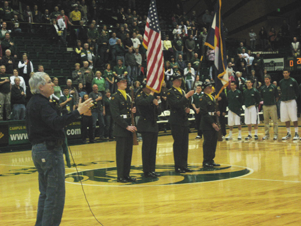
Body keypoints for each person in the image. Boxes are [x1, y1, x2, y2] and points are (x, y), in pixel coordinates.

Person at [26, 72, 92, 226]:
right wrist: (77, 112)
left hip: (39, 150)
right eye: (49, 82)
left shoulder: (34, 102)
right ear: (41, 86)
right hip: (48, 151)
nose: (53, 84)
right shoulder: (41, 104)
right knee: (55, 195)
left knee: (46, 194)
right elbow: (56, 123)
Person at [110, 76, 137, 182]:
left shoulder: (128, 96)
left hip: (129, 128)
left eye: (125, 81)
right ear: (117, 84)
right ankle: (120, 176)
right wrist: (126, 126)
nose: (125, 83)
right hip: (121, 129)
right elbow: (116, 115)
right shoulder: (115, 97)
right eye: (122, 82)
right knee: (121, 154)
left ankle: (126, 175)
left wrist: (132, 110)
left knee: (128, 153)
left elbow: (127, 111)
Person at [166, 73, 195, 173]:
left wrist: (186, 109)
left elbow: (183, 104)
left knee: (184, 144)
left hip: (184, 120)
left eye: (180, 80)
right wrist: (186, 96)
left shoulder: (182, 91)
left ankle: (184, 165)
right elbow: (176, 104)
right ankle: (178, 166)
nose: (180, 82)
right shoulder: (170, 92)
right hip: (176, 120)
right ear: (173, 81)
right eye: (178, 80)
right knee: (178, 144)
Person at [136, 83, 162, 178]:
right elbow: (144, 103)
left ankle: (152, 169)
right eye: (147, 87)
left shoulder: (152, 97)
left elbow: (158, 112)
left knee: (153, 149)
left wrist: (157, 105)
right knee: (147, 149)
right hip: (146, 125)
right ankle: (146, 170)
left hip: (153, 125)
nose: (150, 89)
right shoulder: (140, 96)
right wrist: (151, 95)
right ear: (143, 89)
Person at [199, 81, 220, 168]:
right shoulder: (202, 98)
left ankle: (211, 159)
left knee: (213, 142)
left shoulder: (212, 97)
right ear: (204, 89)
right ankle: (206, 161)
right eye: (209, 87)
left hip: (213, 120)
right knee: (208, 142)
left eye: (211, 87)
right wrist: (212, 123)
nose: (211, 88)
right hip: (207, 123)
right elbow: (204, 113)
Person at [279, 70, 299, 140]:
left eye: (286, 73)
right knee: (285, 118)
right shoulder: (281, 82)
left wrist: (294, 97)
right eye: (284, 73)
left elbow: (297, 91)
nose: (285, 74)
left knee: (294, 118)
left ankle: (296, 133)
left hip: (291, 101)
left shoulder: (293, 81)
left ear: (289, 73)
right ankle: (288, 133)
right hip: (283, 102)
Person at [260, 75, 279, 140]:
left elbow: (277, 97)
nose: (266, 80)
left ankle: (275, 135)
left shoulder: (274, 87)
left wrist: (274, 103)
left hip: (272, 106)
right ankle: (267, 135)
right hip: (265, 106)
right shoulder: (262, 88)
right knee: (266, 121)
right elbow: (261, 97)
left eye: (267, 79)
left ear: (270, 80)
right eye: (265, 79)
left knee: (275, 121)